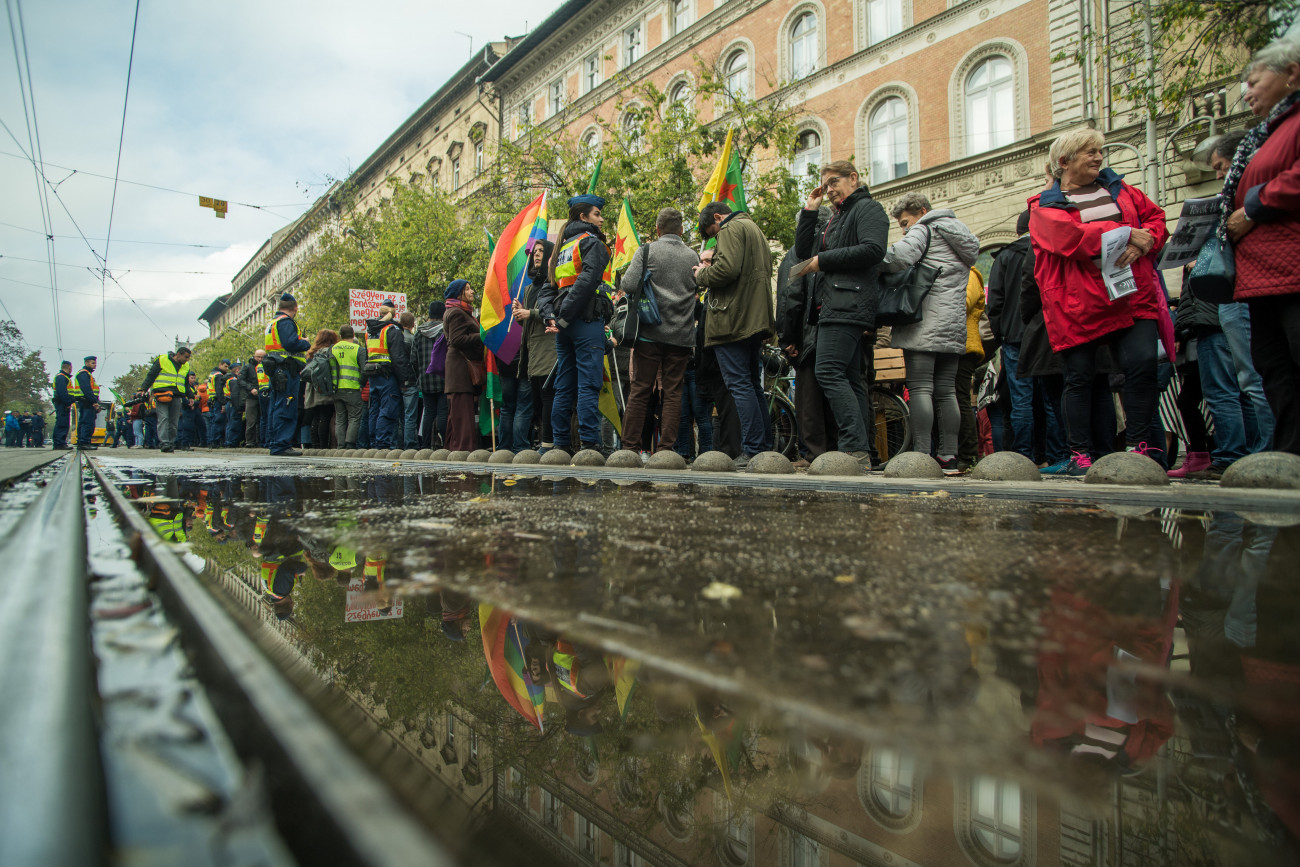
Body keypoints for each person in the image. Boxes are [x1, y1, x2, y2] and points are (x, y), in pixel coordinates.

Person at [1028, 126, 1169, 474]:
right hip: (1078, 303)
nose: (1098, 156)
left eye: (1098, 150)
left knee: (1142, 367)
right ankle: (1080, 454)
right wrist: (1123, 232)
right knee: (1080, 377)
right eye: (1088, 151)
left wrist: (1144, 240)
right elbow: (1068, 239)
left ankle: (1140, 447)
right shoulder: (1043, 206)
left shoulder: (1124, 192)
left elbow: (1156, 219)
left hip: (1132, 294)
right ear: (1064, 161)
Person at [1221, 37, 1300, 455]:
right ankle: (1289, 460)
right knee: (1274, 368)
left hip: (1291, 267)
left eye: (1253, 80)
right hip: (1263, 274)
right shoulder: (1266, 134)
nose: (1247, 92)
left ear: (1291, 74)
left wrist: (1252, 207)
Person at [794, 160, 889, 469]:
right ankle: (864, 454)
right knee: (850, 378)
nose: (830, 189)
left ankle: (853, 449)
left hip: (848, 305)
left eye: (835, 182)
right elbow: (802, 250)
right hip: (834, 306)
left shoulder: (867, 209)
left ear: (853, 178)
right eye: (826, 185)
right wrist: (811, 209)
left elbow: (874, 249)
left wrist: (824, 260)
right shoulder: (837, 217)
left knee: (828, 372)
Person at [882, 192, 982, 473]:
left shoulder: (925, 229)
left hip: (924, 322)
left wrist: (870, 252)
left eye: (905, 222)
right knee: (947, 391)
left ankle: (922, 454)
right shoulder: (961, 238)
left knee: (921, 388)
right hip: (952, 325)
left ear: (923, 211)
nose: (904, 229)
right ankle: (949, 456)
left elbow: (897, 257)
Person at [693, 201, 776, 468]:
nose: (715, 237)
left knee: (739, 384)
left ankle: (752, 449)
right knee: (752, 384)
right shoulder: (755, 229)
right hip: (753, 318)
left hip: (733, 320)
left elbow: (726, 269)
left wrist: (701, 274)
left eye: (712, 231)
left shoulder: (730, 229)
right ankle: (763, 448)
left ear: (718, 217)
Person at [1207, 132, 1274, 455]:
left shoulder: (1249, 196)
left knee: (1252, 377)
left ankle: (1272, 450)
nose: (1219, 175)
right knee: (1248, 378)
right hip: (1238, 293)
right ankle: (1267, 447)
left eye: (1221, 166)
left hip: (1245, 292)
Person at [619, 207, 701, 457]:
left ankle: (630, 447)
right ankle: (666, 449)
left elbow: (629, 285)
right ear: (681, 229)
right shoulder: (693, 256)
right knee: (674, 392)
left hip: (649, 335)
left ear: (657, 229)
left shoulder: (647, 251)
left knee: (641, 389)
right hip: (681, 336)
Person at [542, 194, 613, 455]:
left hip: (566, 326)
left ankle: (560, 444)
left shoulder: (560, 248)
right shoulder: (590, 243)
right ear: (583, 217)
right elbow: (586, 283)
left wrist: (553, 317)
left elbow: (547, 290)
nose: (602, 218)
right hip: (585, 321)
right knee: (588, 384)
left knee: (565, 384)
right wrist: (563, 317)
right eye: (597, 214)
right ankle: (589, 444)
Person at [986, 211, 1036, 458]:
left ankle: (1023, 455)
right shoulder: (1046, 251)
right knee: (1049, 397)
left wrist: (999, 335)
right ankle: (1056, 453)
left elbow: (994, 303)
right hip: (1048, 335)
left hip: (1015, 336)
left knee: (1021, 398)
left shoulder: (1005, 257)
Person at [514, 241, 556, 450]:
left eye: (541, 251)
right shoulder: (529, 288)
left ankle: (549, 442)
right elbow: (527, 323)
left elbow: (556, 311)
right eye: (535, 252)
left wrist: (530, 313)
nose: (537, 255)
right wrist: (520, 314)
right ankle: (544, 439)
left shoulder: (555, 282)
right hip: (532, 351)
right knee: (537, 399)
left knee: (549, 396)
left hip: (549, 348)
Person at [264, 293, 311, 456]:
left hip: (277, 369)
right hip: (286, 369)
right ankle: (281, 445)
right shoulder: (285, 322)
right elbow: (291, 343)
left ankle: (275, 442)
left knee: (276, 407)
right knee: (286, 405)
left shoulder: (273, 322)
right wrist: (305, 342)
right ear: (295, 308)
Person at [364, 300, 414, 450]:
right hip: (387, 376)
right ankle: (382, 443)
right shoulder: (391, 330)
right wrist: (404, 379)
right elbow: (398, 358)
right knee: (387, 410)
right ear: (393, 313)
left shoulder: (370, 331)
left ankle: (373, 442)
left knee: (374, 410)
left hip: (373, 375)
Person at [442, 279, 484, 451]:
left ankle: (454, 449)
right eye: (467, 289)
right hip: (460, 370)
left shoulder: (461, 312)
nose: (472, 291)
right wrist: (482, 335)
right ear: (459, 293)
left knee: (457, 415)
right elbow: (457, 340)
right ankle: (463, 450)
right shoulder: (457, 313)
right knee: (463, 415)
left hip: (461, 369)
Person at [139, 345, 194, 453]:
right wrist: (143, 389)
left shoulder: (186, 366)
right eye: (186, 357)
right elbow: (151, 375)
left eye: (188, 358)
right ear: (178, 354)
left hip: (177, 396)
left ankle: (171, 442)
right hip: (162, 394)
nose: (187, 360)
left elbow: (185, 383)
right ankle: (164, 442)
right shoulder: (162, 360)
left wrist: (191, 396)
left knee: (174, 422)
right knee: (163, 418)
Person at [410, 302, 446, 449]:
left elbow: (413, 359)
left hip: (425, 379)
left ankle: (425, 446)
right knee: (443, 412)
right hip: (443, 378)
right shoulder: (445, 331)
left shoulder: (418, 333)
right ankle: (444, 443)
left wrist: (420, 374)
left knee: (428, 413)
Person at [332, 324, 367, 449]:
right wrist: (361, 384)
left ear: (340, 336)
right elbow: (364, 370)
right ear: (353, 335)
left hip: (336, 388)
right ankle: (350, 444)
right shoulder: (358, 349)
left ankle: (340, 445)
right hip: (353, 387)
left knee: (340, 418)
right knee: (354, 417)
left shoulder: (333, 348)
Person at [304, 330, 339, 448]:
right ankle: (324, 445)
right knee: (325, 416)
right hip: (324, 387)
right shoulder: (330, 351)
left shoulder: (311, 353)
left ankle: (315, 444)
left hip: (313, 388)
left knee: (316, 416)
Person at [398, 311, 422, 449]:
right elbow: (414, 361)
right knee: (410, 415)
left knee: (401, 416)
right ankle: (410, 444)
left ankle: (400, 443)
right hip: (411, 381)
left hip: (399, 381)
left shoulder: (396, 337)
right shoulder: (412, 339)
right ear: (413, 324)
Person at [71, 355, 102, 449]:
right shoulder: (83, 374)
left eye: (95, 363)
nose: (95, 365)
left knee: (84, 421)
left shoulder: (87, 374)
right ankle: (84, 442)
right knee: (87, 422)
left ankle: (82, 441)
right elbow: (86, 389)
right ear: (86, 363)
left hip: (86, 401)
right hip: (87, 402)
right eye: (93, 363)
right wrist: (94, 402)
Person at [239, 349, 267, 448]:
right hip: (251, 397)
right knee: (251, 420)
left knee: (262, 420)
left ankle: (261, 441)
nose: (260, 359)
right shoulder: (247, 367)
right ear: (254, 356)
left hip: (264, 395)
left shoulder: (267, 366)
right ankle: (250, 441)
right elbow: (240, 380)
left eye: (262, 357)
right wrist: (250, 389)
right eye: (258, 357)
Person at [51, 360, 73, 449]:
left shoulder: (61, 377)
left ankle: (59, 442)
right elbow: (62, 392)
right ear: (69, 367)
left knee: (62, 422)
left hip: (61, 403)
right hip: (62, 404)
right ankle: (59, 443)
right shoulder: (62, 377)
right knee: (62, 423)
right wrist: (67, 402)